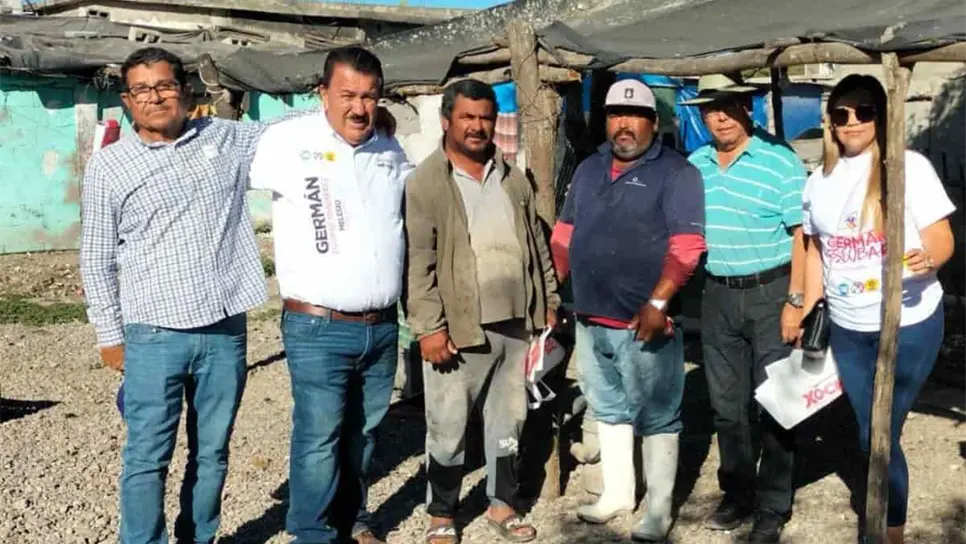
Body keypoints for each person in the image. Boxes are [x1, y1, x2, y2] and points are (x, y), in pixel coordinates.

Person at [80, 47, 266, 544]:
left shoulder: (226, 137)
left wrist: (356, 108)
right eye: (141, 89)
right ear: (127, 100)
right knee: (146, 456)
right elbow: (96, 258)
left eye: (164, 86)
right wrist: (109, 335)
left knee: (213, 451)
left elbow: (294, 131)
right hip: (153, 333)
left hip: (225, 329)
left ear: (185, 92)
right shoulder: (110, 167)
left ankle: (197, 538)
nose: (154, 97)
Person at [247, 46, 412, 544]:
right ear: (322, 94)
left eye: (369, 96)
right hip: (317, 325)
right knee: (319, 436)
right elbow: (224, 148)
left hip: (381, 325)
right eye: (346, 95)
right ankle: (311, 532)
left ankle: (351, 516)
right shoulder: (286, 141)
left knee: (363, 434)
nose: (360, 108)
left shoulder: (389, 149)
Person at [404, 78, 560, 544]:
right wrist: (429, 327)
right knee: (448, 427)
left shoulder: (511, 177)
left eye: (485, 118)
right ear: (446, 120)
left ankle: (502, 505)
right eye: (467, 117)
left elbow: (537, 244)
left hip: (516, 325)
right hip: (458, 329)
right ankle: (442, 514)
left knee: (509, 422)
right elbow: (418, 261)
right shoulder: (427, 182)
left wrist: (548, 299)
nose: (477, 127)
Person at [801, 74, 956, 544]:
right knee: (871, 431)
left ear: (881, 115)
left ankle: (888, 532)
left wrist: (933, 257)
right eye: (842, 113)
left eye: (863, 111)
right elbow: (814, 250)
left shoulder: (908, 167)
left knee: (878, 434)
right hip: (848, 328)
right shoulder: (818, 180)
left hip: (908, 322)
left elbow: (941, 236)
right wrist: (803, 306)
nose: (851, 122)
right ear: (830, 120)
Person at [550, 79, 706, 542]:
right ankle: (619, 493)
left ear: (653, 123)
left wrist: (659, 302)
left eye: (635, 115)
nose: (624, 124)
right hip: (590, 316)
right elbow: (564, 234)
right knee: (608, 408)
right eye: (616, 114)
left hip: (645, 322)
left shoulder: (677, 173)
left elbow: (687, 246)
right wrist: (557, 293)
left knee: (659, 416)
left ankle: (658, 509)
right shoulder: (589, 168)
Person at [680, 73, 808, 542]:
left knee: (774, 401)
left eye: (728, 105)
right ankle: (737, 492)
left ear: (746, 108)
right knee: (726, 406)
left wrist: (796, 300)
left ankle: (774, 504)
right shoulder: (695, 166)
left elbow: (803, 237)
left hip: (770, 290)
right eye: (710, 108)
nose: (719, 116)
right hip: (717, 293)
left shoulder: (780, 162)